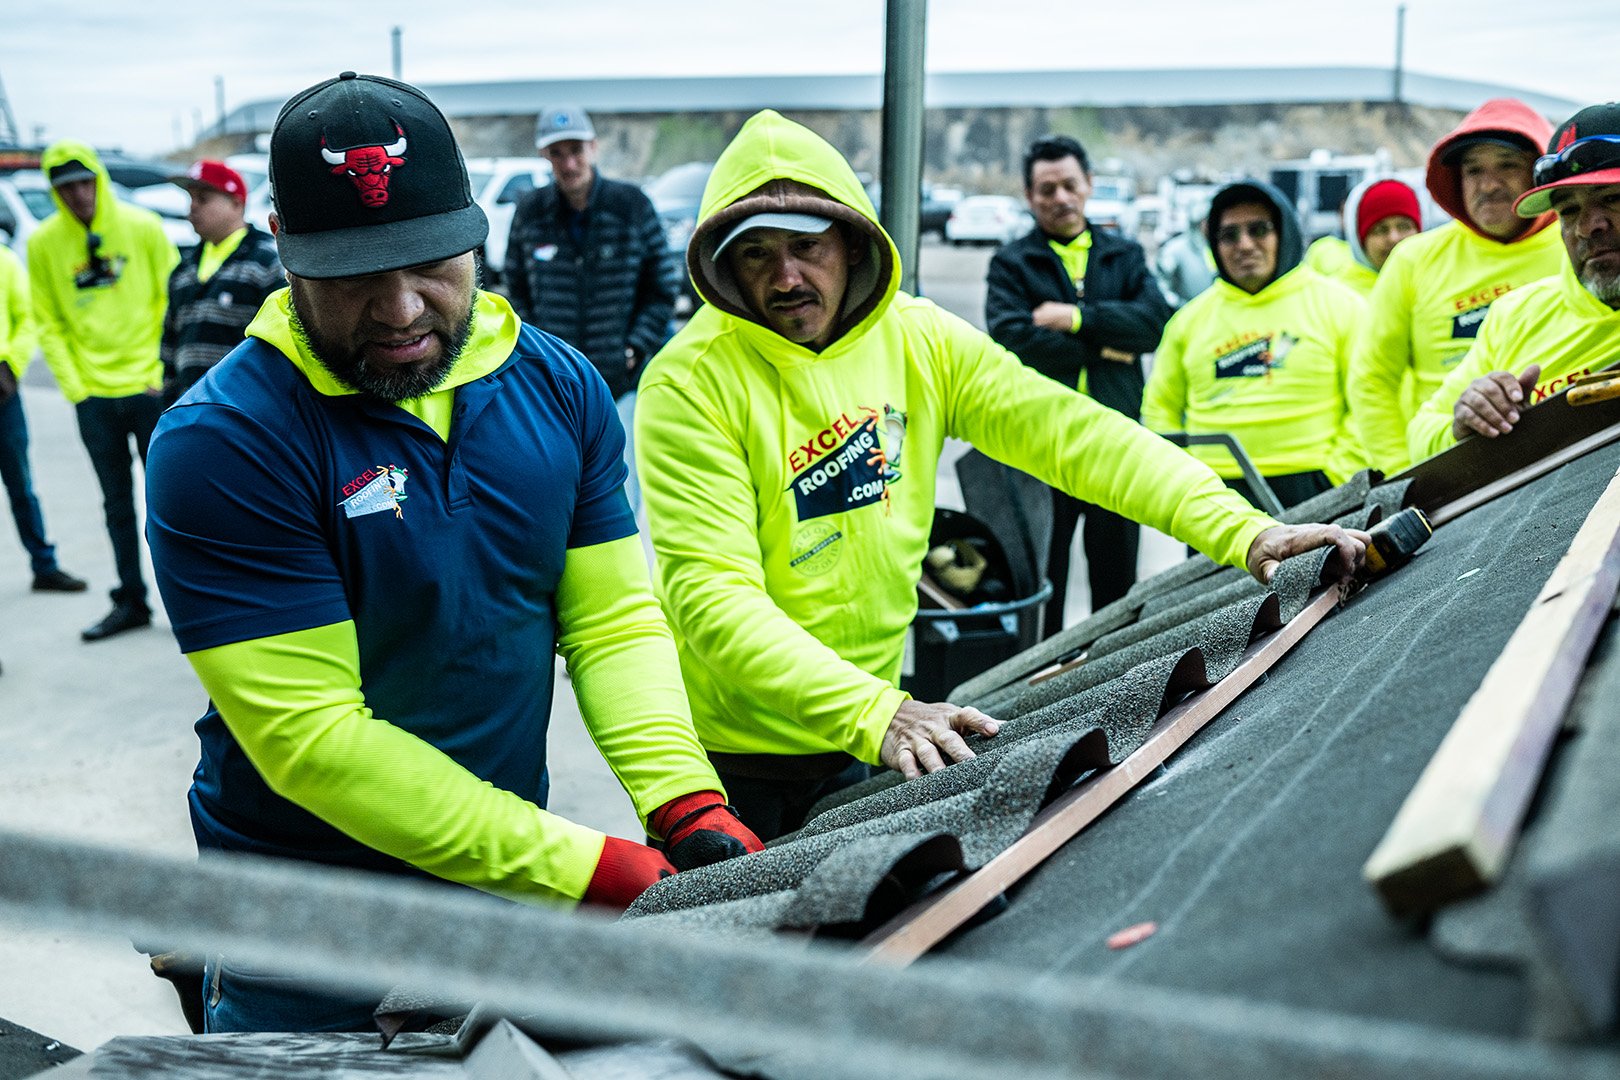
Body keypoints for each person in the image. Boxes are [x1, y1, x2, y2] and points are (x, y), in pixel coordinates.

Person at [145, 72, 759, 1034]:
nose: (399, 309)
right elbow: (314, 739)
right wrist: (584, 868)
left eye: (431, 261)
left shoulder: (559, 387)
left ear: (479, 235)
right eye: (352, 275)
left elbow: (608, 620)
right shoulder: (224, 440)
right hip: (309, 921)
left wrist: (681, 795)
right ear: (284, 253)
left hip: (503, 881)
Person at [634, 111, 1368, 840]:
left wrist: (1245, 529)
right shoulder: (692, 382)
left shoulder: (917, 339)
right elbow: (711, 594)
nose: (786, 276)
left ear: (852, 245)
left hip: (870, 728)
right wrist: (875, 713)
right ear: (724, 266)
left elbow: (1074, 435)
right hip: (738, 754)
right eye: (757, 254)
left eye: (805, 246)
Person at [985, 135, 1172, 634]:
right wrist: (1108, 346)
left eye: (1070, 184)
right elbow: (1011, 339)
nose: (1060, 197)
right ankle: (1039, 693)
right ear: (1030, 197)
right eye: (1047, 189)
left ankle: (1117, 683)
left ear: (1089, 185)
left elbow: (1153, 325)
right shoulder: (1012, 264)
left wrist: (1075, 318)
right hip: (1044, 445)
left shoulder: (1125, 256)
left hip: (1115, 441)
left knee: (1117, 582)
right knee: (1043, 579)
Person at [1350, 99, 1564, 475]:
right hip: (1452, 473)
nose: (1488, 184)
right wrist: (1404, 476)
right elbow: (1372, 379)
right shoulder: (1413, 260)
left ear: (1541, 171)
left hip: (1567, 458)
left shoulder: (1579, 247)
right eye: (1473, 170)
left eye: (1507, 165)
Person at [1407, 103, 1620, 463]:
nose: (1588, 226)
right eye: (1568, 210)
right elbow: (1422, 434)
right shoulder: (1514, 316)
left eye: (1612, 198)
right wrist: (1465, 422)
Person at [1142, 180, 1368, 511]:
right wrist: (1187, 486)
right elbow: (1160, 410)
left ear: (1284, 233)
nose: (1244, 245)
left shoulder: (1341, 306)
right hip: (1217, 497)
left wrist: (1337, 477)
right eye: (1229, 235)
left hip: (1318, 487)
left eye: (1258, 230)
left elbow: (1369, 398)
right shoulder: (1188, 322)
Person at [28, 141, 178, 640]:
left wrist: (162, 369)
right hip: (94, 394)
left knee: (173, 500)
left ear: (97, 178)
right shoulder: (43, 243)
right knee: (116, 503)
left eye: (83, 181)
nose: (77, 194)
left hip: (149, 385)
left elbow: (171, 297)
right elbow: (46, 320)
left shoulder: (142, 227)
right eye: (65, 186)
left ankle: (190, 601)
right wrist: (76, 388)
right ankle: (131, 599)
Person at [504, 106, 676, 512]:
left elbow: (662, 289)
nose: (569, 162)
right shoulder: (530, 212)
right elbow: (516, 290)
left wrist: (634, 347)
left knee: (622, 487)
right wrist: (537, 353)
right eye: (557, 152)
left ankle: (628, 570)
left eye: (576, 149)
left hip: (621, 381)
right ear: (545, 157)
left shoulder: (631, 206)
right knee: (559, 489)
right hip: (553, 385)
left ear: (594, 148)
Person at [0, 244, 87, 594]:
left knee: (20, 484)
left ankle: (44, 566)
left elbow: (27, 319)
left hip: (2, 394)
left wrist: (10, 368)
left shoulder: (5, 260)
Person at [161, 160, 283, 405]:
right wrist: (169, 399)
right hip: (189, 408)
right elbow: (170, 344)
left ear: (236, 203)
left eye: (203, 199)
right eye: (191, 199)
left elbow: (281, 345)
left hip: (245, 408)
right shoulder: (183, 271)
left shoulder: (265, 262)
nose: (192, 208)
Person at [1304, 178, 1423, 296]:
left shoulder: (1432, 287)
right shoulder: (1339, 299)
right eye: (1380, 230)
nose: (1394, 238)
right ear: (1360, 240)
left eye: (1404, 227)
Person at [1154, 200, 1217, 308]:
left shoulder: (1219, 247)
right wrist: (1179, 305)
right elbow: (1160, 285)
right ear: (1197, 222)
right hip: (1183, 315)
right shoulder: (1174, 249)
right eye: (1207, 221)